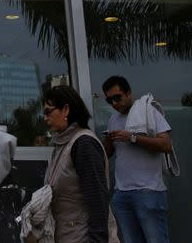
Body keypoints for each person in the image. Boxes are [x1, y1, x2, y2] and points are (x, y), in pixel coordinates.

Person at [102, 76, 172, 243]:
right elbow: (108, 153)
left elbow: (166, 145)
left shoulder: (148, 111)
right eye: (109, 100)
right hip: (122, 192)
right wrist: (109, 140)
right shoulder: (113, 119)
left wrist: (133, 137)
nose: (114, 103)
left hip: (148, 190)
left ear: (128, 93)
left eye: (117, 97)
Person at [41, 85, 111, 243]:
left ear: (65, 110)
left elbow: (97, 200)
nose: (45, 118)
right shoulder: (62, 145)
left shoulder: (83, 144)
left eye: (48, 111)